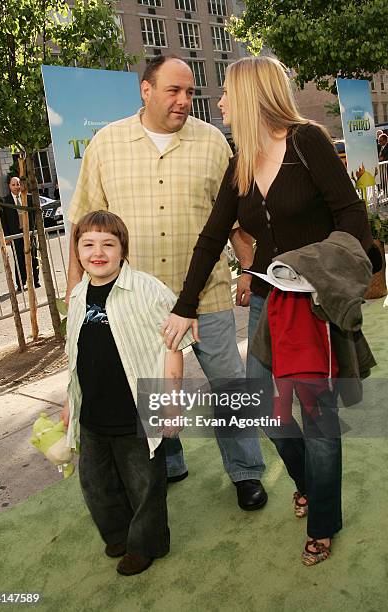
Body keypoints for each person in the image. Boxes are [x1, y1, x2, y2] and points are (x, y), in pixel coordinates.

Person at [163, 56, 379, 565]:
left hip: (315, 302)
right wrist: (184, 306)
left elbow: (352, 215)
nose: (217, 104)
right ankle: (307, 481)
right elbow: (213, 236)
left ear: (250, 96)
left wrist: (321, 267)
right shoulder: (240, 161)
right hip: (266, 299)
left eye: (225, 95)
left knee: (317, 414)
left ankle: (324, 519)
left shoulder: (307, 143)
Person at [65, 55, 267, 511]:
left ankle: (247, 472)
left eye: (190, 92)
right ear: (146, 90)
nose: (184, 100)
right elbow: (82, 227)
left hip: (206, 296)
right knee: (151, 383)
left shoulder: (213, 142)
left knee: (229, 386)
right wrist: (75, 294)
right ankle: (169, 458)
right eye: (174, 91)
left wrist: (250, 272)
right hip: (133, 302)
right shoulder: (106, 144)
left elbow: (234, 221)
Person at [61, 210, 192, 576]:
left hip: (136, 411)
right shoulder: (77, 295)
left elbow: (173, 349)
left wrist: (171, 402)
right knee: (96, 484)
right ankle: (119, 534)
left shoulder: (149, 290)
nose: (97, 252)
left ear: (123, 249)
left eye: (108, 244)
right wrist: (68, 403)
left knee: (144, 485)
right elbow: (73, 355)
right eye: (87, 244)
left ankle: (147, 544)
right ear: (77, 250)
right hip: (93, 414)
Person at [1, 176, 40, 292]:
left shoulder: (27, 198)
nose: (16, 187)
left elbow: (34, 216)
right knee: (19, 259)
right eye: (13, 185)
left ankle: (36, 280)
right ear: (9, 186)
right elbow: (4, 221)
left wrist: (34, 231)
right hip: (15, 234)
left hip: (29, 233)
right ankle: (21, 282)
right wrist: (7, 236)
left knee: (33, 256)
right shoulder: (5, 201)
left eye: (18, 184)